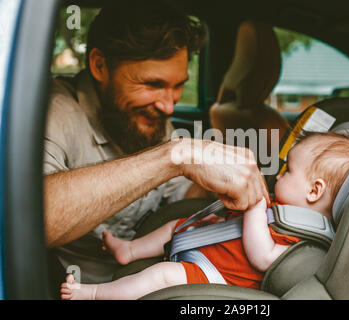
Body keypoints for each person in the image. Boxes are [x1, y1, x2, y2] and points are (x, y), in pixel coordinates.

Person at [44, 0, 268, 286]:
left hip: (144, 275)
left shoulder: (146, 116)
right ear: (100, 66)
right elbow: (34, 219)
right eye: (153, 84)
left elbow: (176, 196)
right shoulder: (55, 112)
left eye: (179, 86)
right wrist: (177, 156)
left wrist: (220, 183)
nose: (168, 107)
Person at [60, 131, 349, 299]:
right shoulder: (285, 209)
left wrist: (255, 209)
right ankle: (130, 249)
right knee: (175, 226)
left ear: (314, 191)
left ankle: (94, 293)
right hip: (214, 247)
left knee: (159, 277)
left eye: (289, 171)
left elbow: (262, 256)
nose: (280, 175)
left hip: (217, 274)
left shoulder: (309, 238)